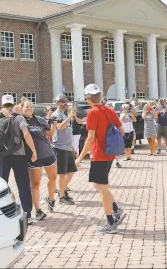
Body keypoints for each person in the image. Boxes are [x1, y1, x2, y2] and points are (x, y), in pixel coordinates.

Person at [75, 84, 125, 234]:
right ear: (100, 97)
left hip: (99, 154)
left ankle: (111, 222)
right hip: (109, 153)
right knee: (98, 185)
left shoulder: (93, 113)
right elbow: (122, 131)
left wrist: (79, 158)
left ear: (87, 99)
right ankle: (116, 209)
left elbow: (90, 138)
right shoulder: (109, 110)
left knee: (102, 188)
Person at [0, 94, 37, 225]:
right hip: (19, 155)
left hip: (3, 155)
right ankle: (27, 214)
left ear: (2, 104)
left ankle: (0, 213)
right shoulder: (19, 117)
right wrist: (33, 151)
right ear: (13, 104)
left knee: (1, 184)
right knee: (23, 185)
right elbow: (26, 134)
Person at [21, 100, 57, 220]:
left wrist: (54, 123)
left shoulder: (40, 120)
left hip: (48, 153)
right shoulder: (20, 121)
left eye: (31, 107)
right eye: (27, 107)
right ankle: (37, 210)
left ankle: (51, 198)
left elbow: (50, 134)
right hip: (33, 157)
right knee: (35, 184)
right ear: (22, 108)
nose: (29, 109)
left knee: (53, 178)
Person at [50, 94, 77, 205]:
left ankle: (62, 190)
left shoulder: (64, 114)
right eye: (62, 101)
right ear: (57, 103)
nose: (65, 103)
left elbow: (67, 131)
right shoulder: (55, 114)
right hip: (60, 148)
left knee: (71, 171)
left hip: (67, 147)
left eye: (65, 101)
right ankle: (62, 196)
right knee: (62, 173)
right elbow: (60, 127)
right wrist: (70, 117)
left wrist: (72, 147)